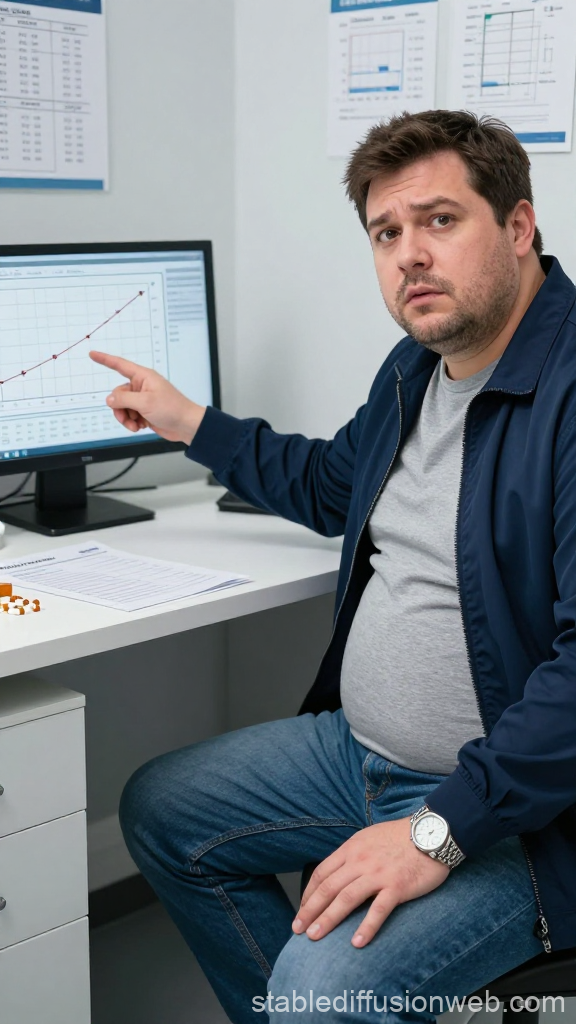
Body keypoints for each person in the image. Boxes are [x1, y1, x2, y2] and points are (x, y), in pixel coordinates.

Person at [90, 110, 576, 1024]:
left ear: (518, 227)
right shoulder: (415, 370)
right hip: (360, 756)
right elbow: (330, 483)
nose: (409, 256)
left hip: (522, 815)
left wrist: (438, 833)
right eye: (386, 233)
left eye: (439, 221)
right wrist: (192, 423)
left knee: (324, 990)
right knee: (161, 810)